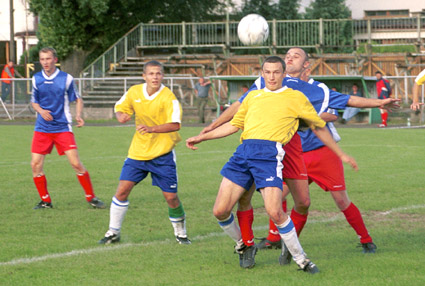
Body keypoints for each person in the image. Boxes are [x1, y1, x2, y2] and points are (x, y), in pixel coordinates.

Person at [200, 48, 398, 265]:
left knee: (304, 201)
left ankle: (342, 243)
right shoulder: (264, 83)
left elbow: (347, 101)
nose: (289, 57)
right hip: (276, 148)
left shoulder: (315, 90)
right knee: (261, 197)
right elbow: (239, 107)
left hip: (307, 150)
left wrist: (379, 103)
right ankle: (263, 243)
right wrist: (212, 125)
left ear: (306, 65)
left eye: (295, 56)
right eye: (287, 55)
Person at [187, 56, 359, 273]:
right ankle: (243, 246)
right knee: (220, 211)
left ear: (284, 74)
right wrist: (202, 136)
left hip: (269, 154)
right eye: (267, 72)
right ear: (262, 74)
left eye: (276, 72)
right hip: (243, 152)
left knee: (275, 211)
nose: (272, 76)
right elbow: (233, 125)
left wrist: (341, 154)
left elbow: (319, 126)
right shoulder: (253, 97)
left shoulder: (295, 97)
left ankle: (302, 260)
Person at [99, 60, 191, 245]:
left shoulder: (168, 97)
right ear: (144, 76)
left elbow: (175, 124)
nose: (155, 77)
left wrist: (152, 129)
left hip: (162, 155)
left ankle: (181, 233)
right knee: (122, 191)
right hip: (138, 153)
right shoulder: (134, 91)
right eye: (151, 74)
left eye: (158, 73)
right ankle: (113, 232)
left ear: (162, 76)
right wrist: (121, 116)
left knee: (171, 197)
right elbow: (119, 107)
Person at [30, 47, 105, 210]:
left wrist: (78, 115)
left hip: (62, 128)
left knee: (76, 164)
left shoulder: (66, 79)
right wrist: (41, 111)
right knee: (35, 165)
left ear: (55, 60)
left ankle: (91, 197)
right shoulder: (36, 79)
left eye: (48, 59)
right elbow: (34, 101)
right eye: (42, 59)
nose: (45, 62)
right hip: (42, 128)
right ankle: (45, 201)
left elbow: (78, 99)